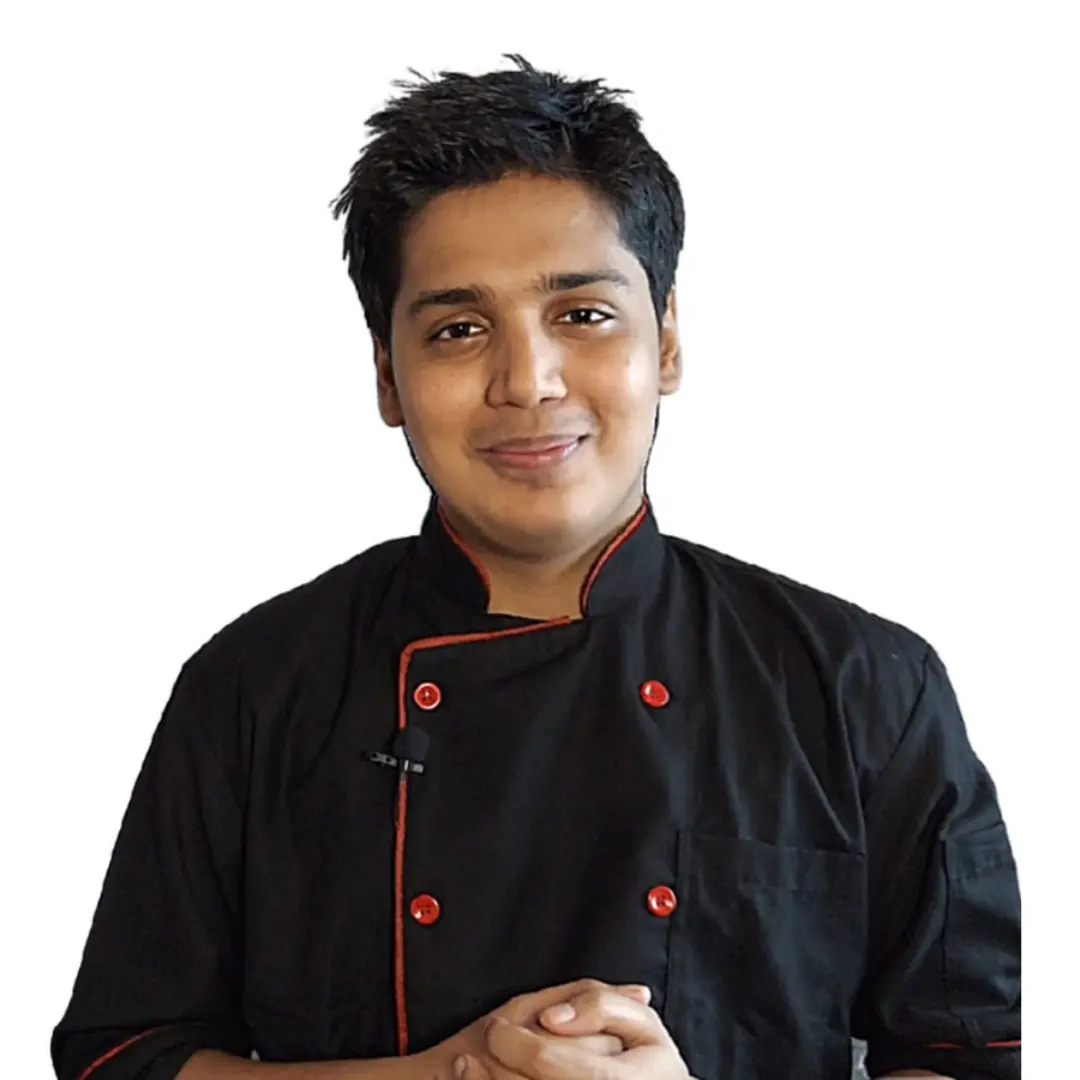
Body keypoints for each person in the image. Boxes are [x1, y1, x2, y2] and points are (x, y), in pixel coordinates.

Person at [51, 55, 1021, 1080]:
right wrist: (439, 1076)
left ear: (667, 340)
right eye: (459, 329)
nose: (528, 381)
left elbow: (966, 1056)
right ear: (388, 376)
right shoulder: (257, 685)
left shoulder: (864, 685)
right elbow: (124, 1055)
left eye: (583, 315)